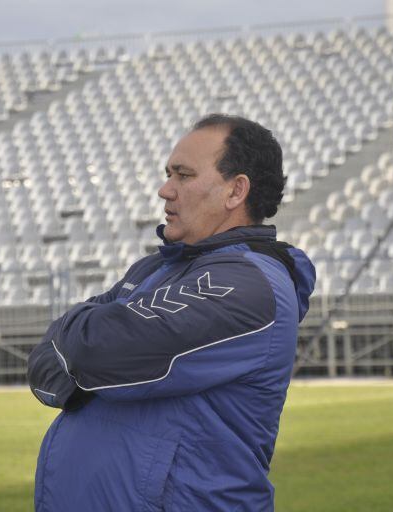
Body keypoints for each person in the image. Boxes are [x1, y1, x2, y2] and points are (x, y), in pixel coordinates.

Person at [27, 113, 315, 511]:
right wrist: (79, 352)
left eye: (183, 175)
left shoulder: (249, 284)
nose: (165, 190)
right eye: (168, 174)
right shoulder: (155, 269)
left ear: (236, 191)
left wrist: (76, 347)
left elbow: (98, 350)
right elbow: (48, 363)